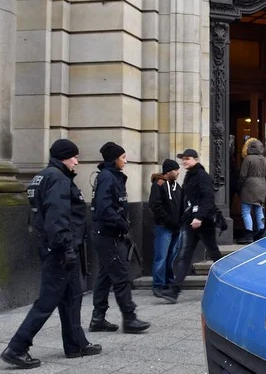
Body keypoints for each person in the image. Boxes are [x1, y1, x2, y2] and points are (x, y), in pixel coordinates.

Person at [1, 139, 101, 369]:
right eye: (74, 157)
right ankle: (17, 347)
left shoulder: (43, 176)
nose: (77, 161)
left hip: (56, 248)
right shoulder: (57, 178)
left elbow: (38, 216)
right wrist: (66, 248)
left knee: (72, 297)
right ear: (64, 157)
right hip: (60, 250)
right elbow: (57, 217)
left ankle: (76, 344)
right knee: (47, 301)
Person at [89, 142, 150, 333]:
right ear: (114, 159)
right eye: (123, 157)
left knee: (106, 276)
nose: (126, 160)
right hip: (107, 234)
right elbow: (104, 207)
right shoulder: (108, 177)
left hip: (108, 233)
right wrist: (120, 222)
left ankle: (98, 318)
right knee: (122, 275)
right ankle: (129, 319)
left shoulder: (110, 176)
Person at [160, 148, 222, 303]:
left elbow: (208, 198)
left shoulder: (202, 176)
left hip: (204, 222)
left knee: (214, 254)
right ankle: (174, 291)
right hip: (190, 222)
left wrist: (200, 217)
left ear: (196, 159)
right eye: (183, 159)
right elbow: (186, 199)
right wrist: (184, 218)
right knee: (184, 255)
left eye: (187, 158)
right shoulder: (189, 176)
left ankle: (227, 283)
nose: (184, 161)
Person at [148, 158, 183, 298]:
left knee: (170, 257)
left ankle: (168, 281)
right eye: (176, 170)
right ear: (169, 171)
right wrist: (168, 221)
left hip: (176, 228)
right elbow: (155, 205)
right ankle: (158, 285)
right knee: (161, 256)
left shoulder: (177, 187)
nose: (178, 173)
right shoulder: (159, 184)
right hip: (164, 227)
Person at [238, 138, 266, 243]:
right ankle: (261, 232)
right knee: (259, 211)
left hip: (249, 187)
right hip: (262, 187)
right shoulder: (264, 159)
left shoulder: (248, 159)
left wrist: (240, 187)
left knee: (246, 211)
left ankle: (249, 234)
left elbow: (242, 175)